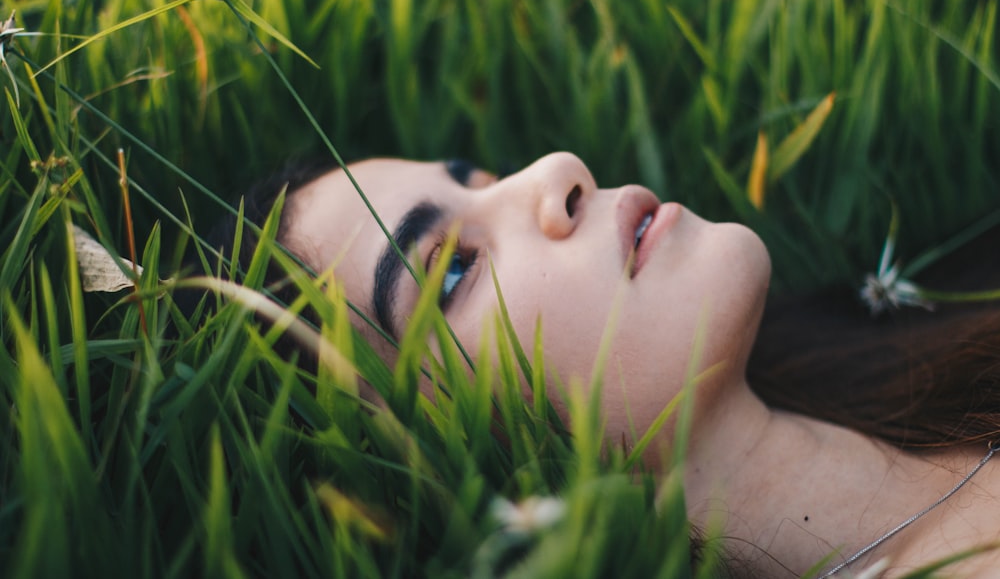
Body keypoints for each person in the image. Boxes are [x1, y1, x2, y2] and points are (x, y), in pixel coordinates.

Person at [210, 151, 1000, 578]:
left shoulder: (956, 326)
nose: (558, 172)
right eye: (452, 268)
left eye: (483, 177)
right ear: (430, 458)